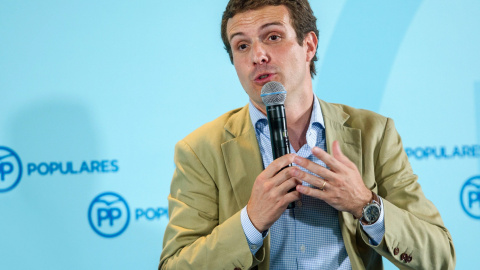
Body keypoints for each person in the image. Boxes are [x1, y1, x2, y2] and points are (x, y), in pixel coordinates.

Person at [159, 0, 456, 269]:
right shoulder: (201, 150)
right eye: (242, 46)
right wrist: (250, 222)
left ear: (309, 46)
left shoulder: (373, 133)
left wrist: (365, 204)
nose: (258, 55)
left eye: (273, 37)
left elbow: (440, 256)